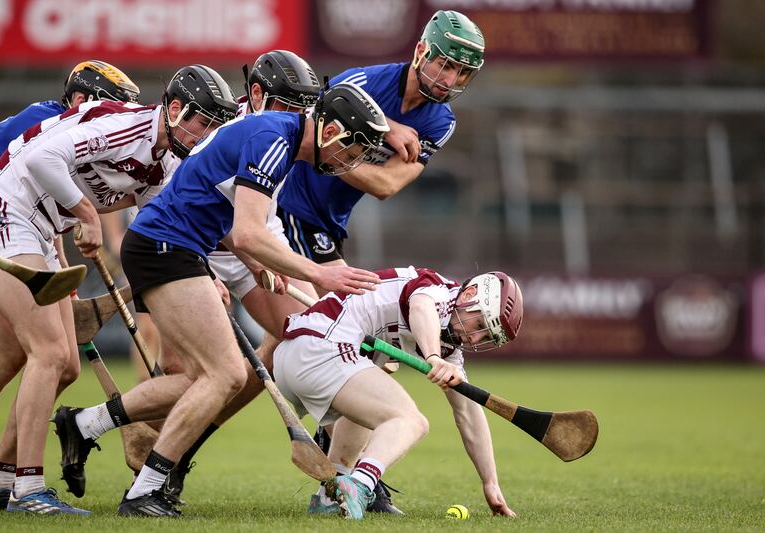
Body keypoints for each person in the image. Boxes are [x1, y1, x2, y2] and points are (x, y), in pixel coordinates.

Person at [52, 82, 388, 518]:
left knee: (198, 377)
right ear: (330, 132)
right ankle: (144, 492)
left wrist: (254, 260)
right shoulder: (274, 140)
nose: (352, 163)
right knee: (226, 374)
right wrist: (319, 272)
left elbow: (222, 209)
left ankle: (83, 424)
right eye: (353, 148)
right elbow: (249, 229)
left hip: (173, 246)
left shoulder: (276, 137)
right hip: (166, 247)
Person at [0, 64, 235, 515]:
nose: (205, 134)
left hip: (41, 228)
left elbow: (159, 229)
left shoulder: (165, 164)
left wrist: (205, 275)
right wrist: (87, 215)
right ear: (173, 109)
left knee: (67, 365)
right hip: (4, 211)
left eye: (214, 127)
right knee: (46, 352)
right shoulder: (127, 126)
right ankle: (27, 492)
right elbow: (39, 161)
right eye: (201, 122)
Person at [276, 10, 486, 514]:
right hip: (285, 208)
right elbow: (312, 122)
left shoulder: (441, 119)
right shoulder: (364, 82)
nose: (450, 79)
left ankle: (343, 467)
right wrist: (384, 127)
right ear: (420, 52)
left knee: (301, 348)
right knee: (316, 342)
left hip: (326, 227)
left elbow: (388, 184)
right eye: (445, 65)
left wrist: (338, 146)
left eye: (462, 73)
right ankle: (345, 470)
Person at [0, 60, 140, 510]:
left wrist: (59, 263)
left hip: (11, 237)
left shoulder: (81, 138)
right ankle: (17, 483)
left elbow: (45, 204)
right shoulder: (41, 119)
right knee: (13, 346)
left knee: (62, 364)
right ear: (81, 100)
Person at [160, 49, 324, 502]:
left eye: (303, 110)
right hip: (197, 244)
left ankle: (347, 469)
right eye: (289, 107)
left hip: (256, 240)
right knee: (181, 371)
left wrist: (265, 261)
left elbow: (258, 220)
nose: (297, 118)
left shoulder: (291, 131)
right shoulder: (216, 124)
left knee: (320, 331)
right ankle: (152, 455)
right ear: (256, 94)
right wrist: (202, 268)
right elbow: (174, 196)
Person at [273, 267, 522, 520]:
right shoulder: (436, 290)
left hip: (298, 357)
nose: (474, 338)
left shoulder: (450, 348)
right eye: (479, 324)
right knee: (410, 421)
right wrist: (433, 356)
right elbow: (421, 308)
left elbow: (467, 411)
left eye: (485, 336)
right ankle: (360, 485)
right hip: (318, 349)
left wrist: (490, 482)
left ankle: (330, 495)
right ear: (469, 294)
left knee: (369, 413)